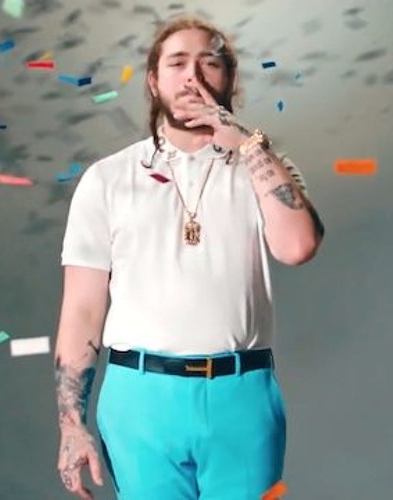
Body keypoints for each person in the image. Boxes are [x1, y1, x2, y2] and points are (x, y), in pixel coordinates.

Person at [54, 14, 325, 500]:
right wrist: (71, 423)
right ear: (153, 81)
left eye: (209, 63)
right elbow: (82, 309)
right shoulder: (107, 179)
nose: (193, 77)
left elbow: (297, 246)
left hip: (242, 395)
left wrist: (245, 143)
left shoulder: (266, 169)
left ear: (230, 80)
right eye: (177, 63)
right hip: (139, 398)